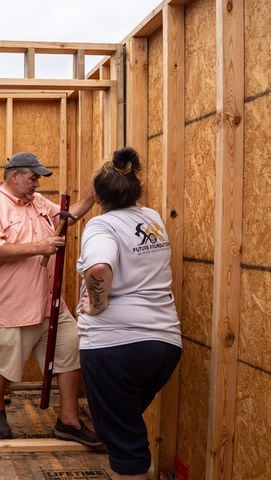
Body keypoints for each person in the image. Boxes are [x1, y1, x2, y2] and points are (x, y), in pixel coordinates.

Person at [0, 151, 101, 446]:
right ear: (15, 175)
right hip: (12, 305)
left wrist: (94, 194)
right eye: (33, 177)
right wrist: (40, 246)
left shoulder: (37, 203)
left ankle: (68, 420)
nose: (37, 183)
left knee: (69, 354)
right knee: (5, 364)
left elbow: (69, 216)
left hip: (49, 302)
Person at [76, 147, 182, 479]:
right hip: (163, 344)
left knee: (125, 444)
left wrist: (96, 304)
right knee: (126, 427)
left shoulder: (100, 227)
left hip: (115, 347)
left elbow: (98, 267)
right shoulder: (152, 219)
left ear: (97, 196)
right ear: (136, 191)